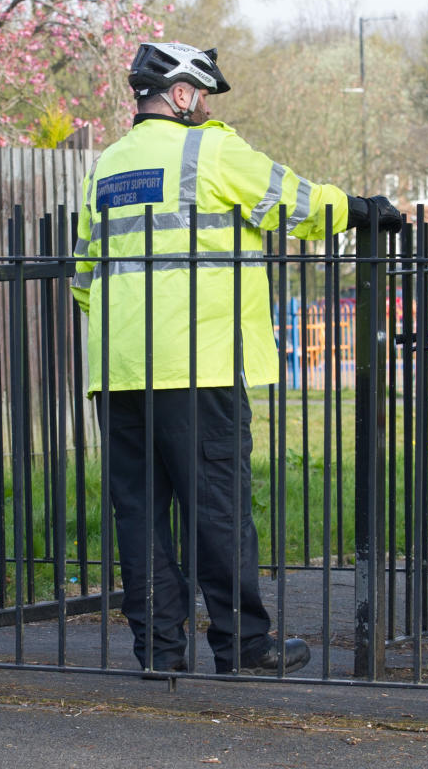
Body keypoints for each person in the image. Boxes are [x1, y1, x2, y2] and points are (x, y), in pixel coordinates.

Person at [70, 41, 401, 676]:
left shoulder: (105, 167)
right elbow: (296, 201)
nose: (203, 106)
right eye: (202, 95)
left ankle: (160, 654)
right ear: (183, 94)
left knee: (139, 518)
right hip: (199, 363)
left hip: (117, 371)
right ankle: (244, 645)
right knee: (216, 508)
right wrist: (360, 210)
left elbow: (85, 277)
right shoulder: (210, 150)